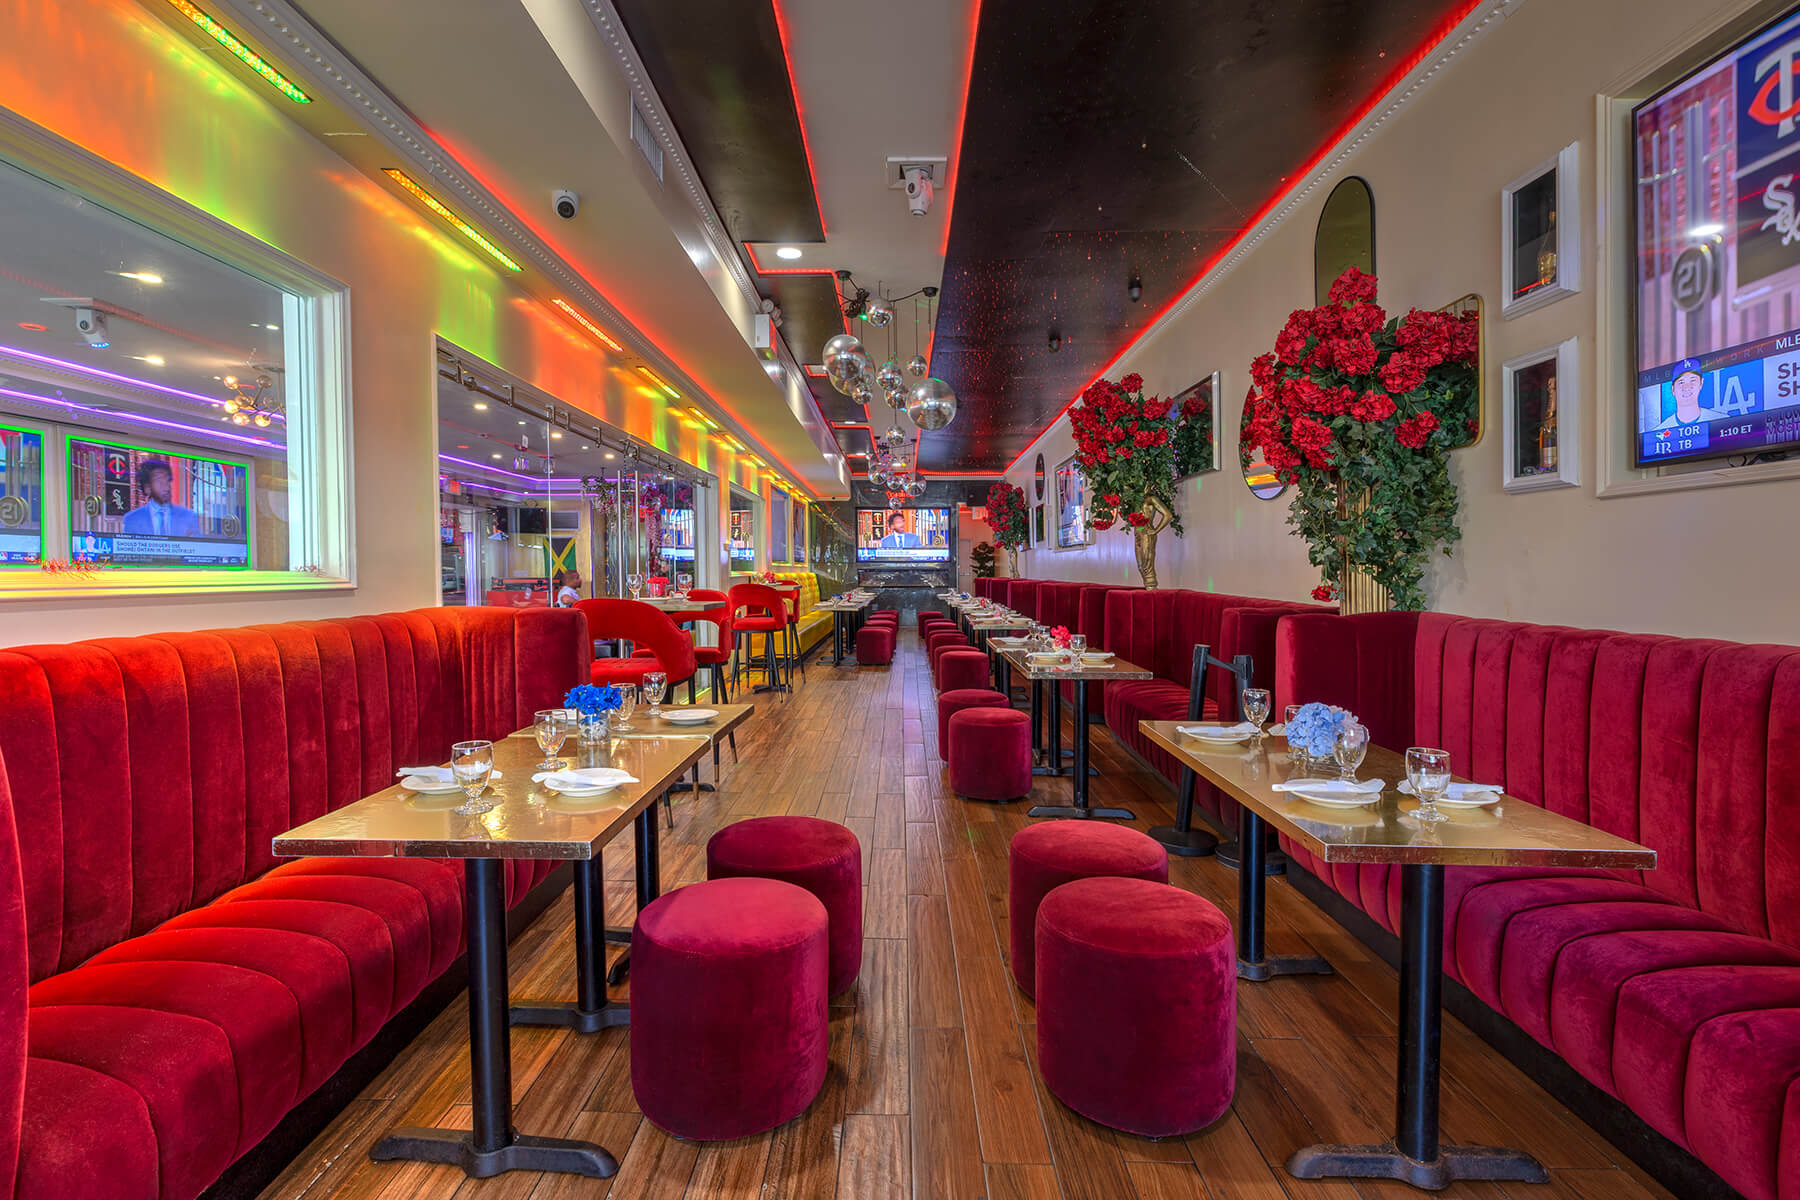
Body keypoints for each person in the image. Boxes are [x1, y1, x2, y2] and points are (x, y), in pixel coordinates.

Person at [121, 459, 202, 537]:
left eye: (167, 480)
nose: (166, 487)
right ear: (147, 487)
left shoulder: (189, 517)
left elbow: (198, 547)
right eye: (159, 481)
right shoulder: (132, 519)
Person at [1650, 358, 1728, 430]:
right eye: (1681, 382)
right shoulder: (1660, 431)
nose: (1687, 387)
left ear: (1701, 383)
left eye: (1692, 380)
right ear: (1673, 389)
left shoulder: (1722, 422)